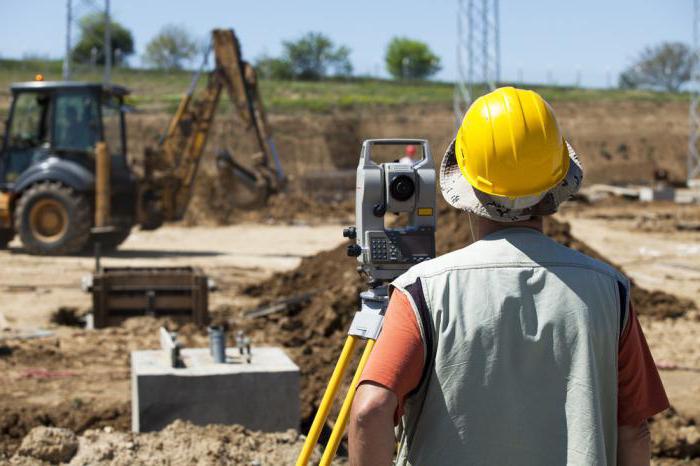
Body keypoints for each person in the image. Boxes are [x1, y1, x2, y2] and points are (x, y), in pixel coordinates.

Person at [348, 87, 669, 466]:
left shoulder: (423, 291)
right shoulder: (610, 291)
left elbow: (370, 412)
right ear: (557, 186)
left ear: (464, 183)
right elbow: (634, 429)